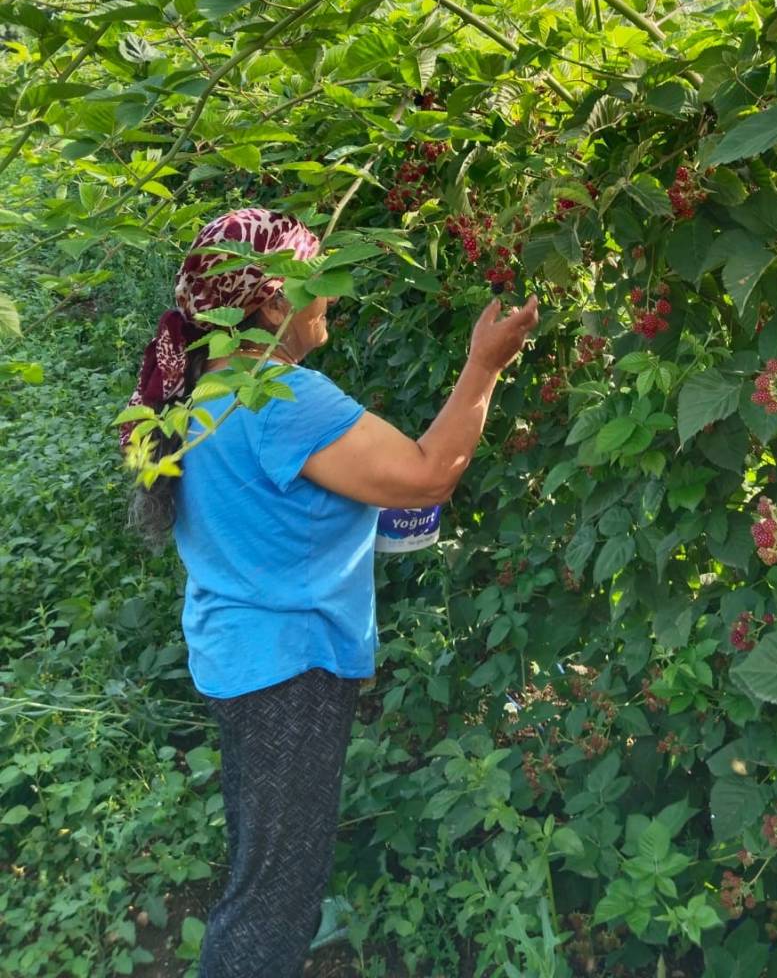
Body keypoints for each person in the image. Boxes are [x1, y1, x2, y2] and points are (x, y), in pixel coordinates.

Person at [121, 207, 538, 978]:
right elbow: (424, 472)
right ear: (275, 302)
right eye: (321, 281)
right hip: (289, 667)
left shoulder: (203, 391)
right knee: (277, 897)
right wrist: (485, 365)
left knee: (264, 863)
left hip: (236, 656)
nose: (333, 298)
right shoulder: (281, 398)